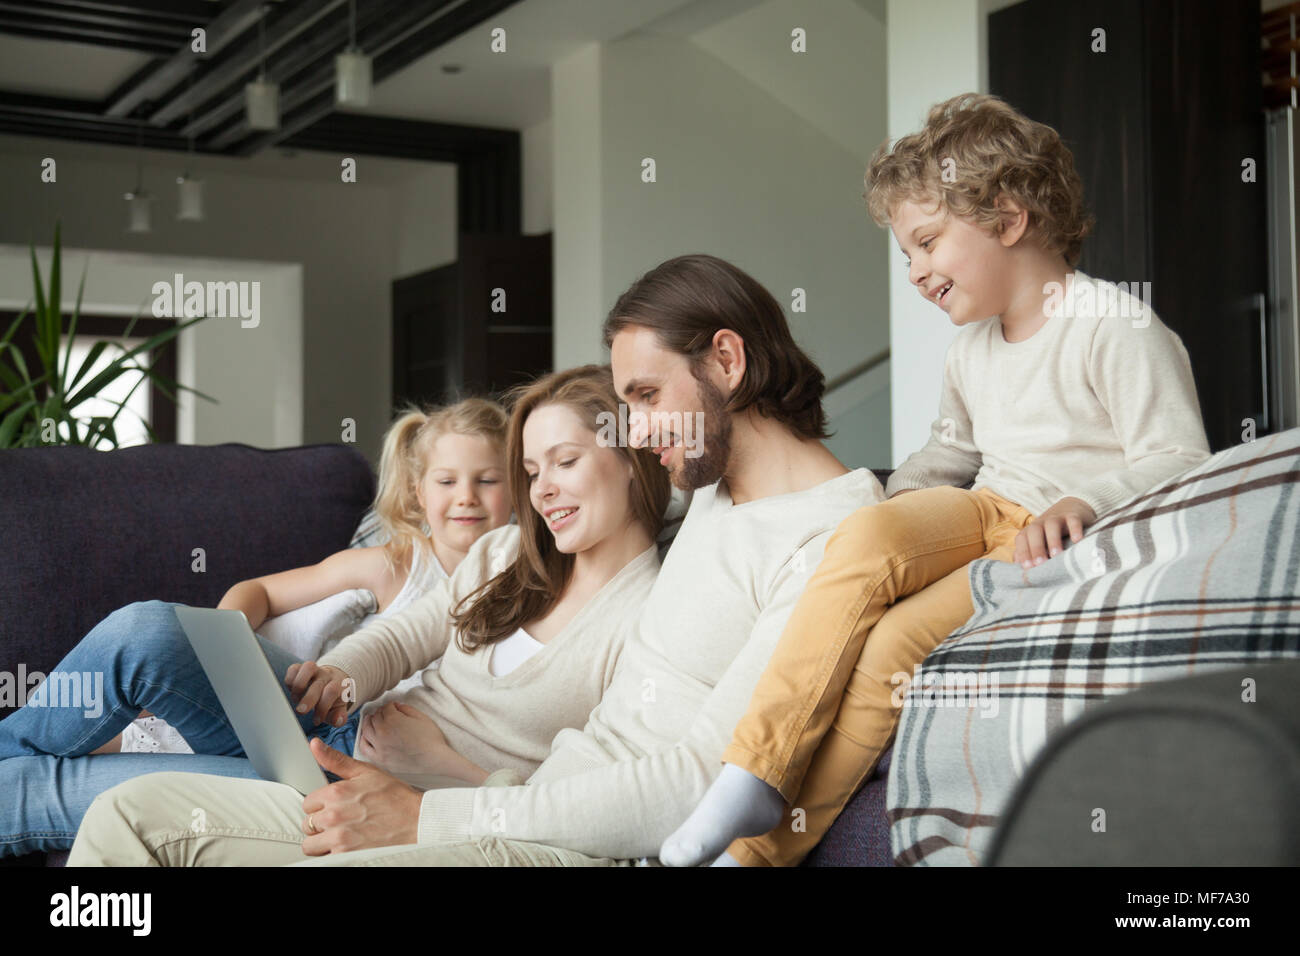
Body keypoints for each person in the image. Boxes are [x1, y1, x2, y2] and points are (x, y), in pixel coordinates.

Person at [67, 253, 886, 867]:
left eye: (644, 398)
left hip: (564, 848)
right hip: (521, 808)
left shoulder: (834, 538)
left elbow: (697, 782)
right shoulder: (710, 491)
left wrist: (430, 814)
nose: (633, 432)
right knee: (127, 816)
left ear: (729, 363)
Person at [660, 92, 1213, 867]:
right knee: (867, 533)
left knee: (893, 644)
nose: (916, 271)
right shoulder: (973, 351)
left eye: (926, 243)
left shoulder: (1114, 327)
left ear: (1010, 219)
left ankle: (754, 856)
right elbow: (947, 459)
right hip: (982, 508)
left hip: (1047, 548)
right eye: (907, 254)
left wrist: (1086, 500)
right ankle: (753, 770)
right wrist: (870, 497)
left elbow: (1183, 459)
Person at [1, 367, 667, 857]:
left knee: (54, 789)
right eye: (531, 470)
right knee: (150, 629)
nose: (542, 489)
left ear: (634, 462)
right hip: (336, 726)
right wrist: (342, 676)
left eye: (565, 463)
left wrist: (441, 770)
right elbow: (408, 634)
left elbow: (583, 802)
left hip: (382, 789)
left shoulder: (647, 618)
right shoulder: (507, 551)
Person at [105, 396, 512, 755]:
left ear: (516, 488)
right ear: (419, 493)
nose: (466, 497)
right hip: (280, 698)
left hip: (347, 739)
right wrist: (220, 653)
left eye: (487, 480)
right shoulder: (393, 565)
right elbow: (257, 590)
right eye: (447, 481)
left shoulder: (520, 586)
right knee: (121, 738)